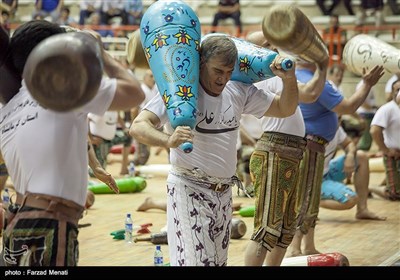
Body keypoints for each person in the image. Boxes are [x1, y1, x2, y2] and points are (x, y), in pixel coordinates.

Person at [130, 35, 299, 266]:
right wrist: (168, 140)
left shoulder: (238, 89)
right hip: (188, 187)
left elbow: (285, 108)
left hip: (224, 193)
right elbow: (138, 126)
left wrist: (289, 79)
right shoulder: (179, 91)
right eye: (218, 71)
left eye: (229, 71)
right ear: (201, 63)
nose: (223, 78)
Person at [0, 20, 144, 266]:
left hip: (17, 220)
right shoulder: (64, 87)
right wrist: (100, 52)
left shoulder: (8, 109)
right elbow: (135, 92)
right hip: (50, 220)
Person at [243, 31, 329, 266]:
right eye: (266, 45)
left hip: (288, 151)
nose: (274, 48)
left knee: (284, 230)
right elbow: (310, 94)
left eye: (274, 43)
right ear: (255, 52)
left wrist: (321, 66)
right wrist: (322, 65)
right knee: (267, 229)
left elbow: (309, 94)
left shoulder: (277, 75)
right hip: (275, 150)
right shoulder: (266, 75)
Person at [286, 61, 384, 257]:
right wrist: (366, 84)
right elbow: (347, 107)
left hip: (311, 147)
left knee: (308, 200)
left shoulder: (300, 78)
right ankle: (296, 248)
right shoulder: (314, 82)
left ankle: (307, 246)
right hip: (310, 146)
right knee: (305, 200)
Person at [320, 124, 386, 220]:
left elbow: (348, 144)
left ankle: (362, 210)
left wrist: (350, 156)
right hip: (312, 179)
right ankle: (307, 203)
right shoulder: (312, 124)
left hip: (326, 171)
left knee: (361, 156)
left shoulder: (335, 124)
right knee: (350, 199)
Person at [369, 79, 400, 201]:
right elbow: (375, 131)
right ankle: (370, 188)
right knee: (395, 193)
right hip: (393, 154)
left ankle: (388, 182)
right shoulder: (387, 109)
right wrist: (386, 150)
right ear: (392, 92)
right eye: (397, 90)